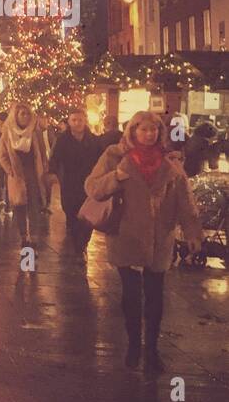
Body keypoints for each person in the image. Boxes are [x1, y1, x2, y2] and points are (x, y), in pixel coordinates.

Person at [84, 111, 202, 373]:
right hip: (127, 236)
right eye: (144, 130)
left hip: (161, 238)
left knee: (155, 296)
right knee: (131, 296)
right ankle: (134, 345)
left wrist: (193, 233)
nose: (149, 135)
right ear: (133, 131)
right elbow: (92, 187)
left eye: (154, 130)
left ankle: (151, 350)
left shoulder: (170, 162)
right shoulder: (116, 156)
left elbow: (185, 201)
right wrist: (116, 176)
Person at [48, 107, 104, 258]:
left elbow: (101, 159)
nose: (77, 123)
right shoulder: (62, 140)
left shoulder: (93, 140)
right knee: (72, 214)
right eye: (74, 120)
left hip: (88, 183)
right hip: (69, 182)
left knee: (88, 216)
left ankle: (83, 243)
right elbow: (55, 157)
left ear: (85, 120)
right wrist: (52, 172)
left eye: (80, 119)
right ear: (69, 121)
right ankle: (77, 244)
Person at [0, 102, 48, 245]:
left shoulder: (34, 132)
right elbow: (2, 156)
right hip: (17, 175)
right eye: (22, 114)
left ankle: (32, 237)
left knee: (34, 205)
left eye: (27, 114)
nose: (25, 116)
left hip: (33, 174)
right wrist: (10, 170)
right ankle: (23, 235)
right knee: (19, 206)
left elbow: (42, 153)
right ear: (16, 116)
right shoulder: (7, 133)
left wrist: (43, 167)